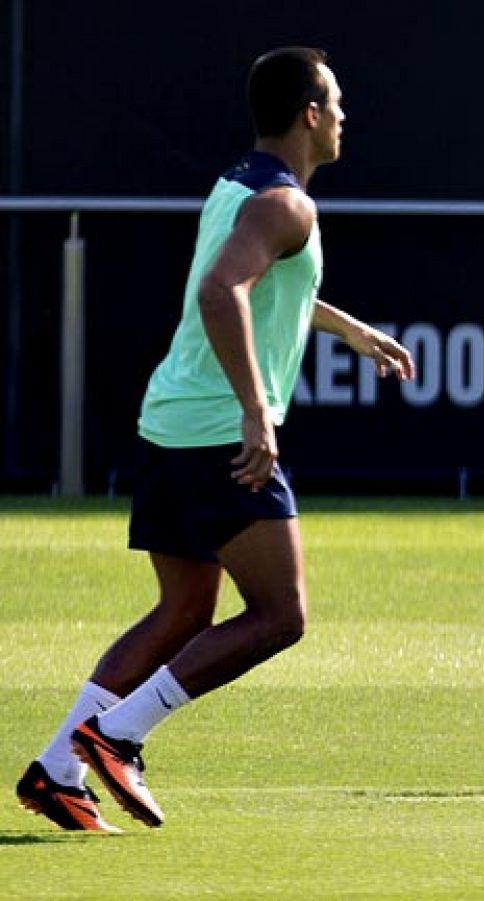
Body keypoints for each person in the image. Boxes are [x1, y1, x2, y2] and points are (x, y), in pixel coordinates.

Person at [15, 47, 414, 831]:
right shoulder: (287, 206)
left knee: (185, 608)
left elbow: (266, 280)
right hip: (213, 433)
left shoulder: (245, 183)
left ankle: (59, 767)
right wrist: (255, 408)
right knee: (281, 614)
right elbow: (218, 288)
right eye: (334, 102)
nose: (343, 115)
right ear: (308, 114)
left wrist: (348, 329)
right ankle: (117, 734)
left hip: (170, 422)